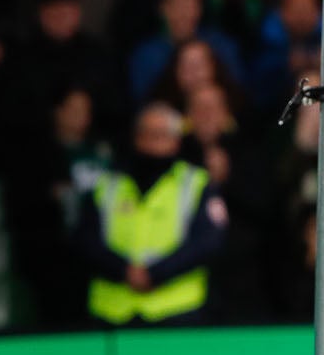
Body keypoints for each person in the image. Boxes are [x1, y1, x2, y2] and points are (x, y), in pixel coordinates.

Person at [73, 101, 226, 327]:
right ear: (135, 137)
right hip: (113, 311)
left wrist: (155, 274)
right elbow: (84, 239)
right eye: (146, 134)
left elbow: (206, 242)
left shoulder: (195, 183)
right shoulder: (108, 184)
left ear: (176, 141)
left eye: (161, 135)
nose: (152, 143)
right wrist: (124, 271)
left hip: (176, 309)